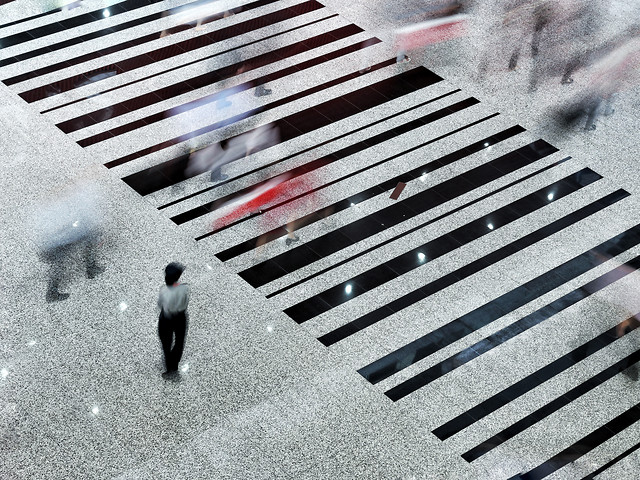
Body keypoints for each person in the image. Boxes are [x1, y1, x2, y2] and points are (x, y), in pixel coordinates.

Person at [157, 262, 190, 378]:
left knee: (166, 343)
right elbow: (185, 303)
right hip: (180, 318)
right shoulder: (184, 288)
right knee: (179, 341)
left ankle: (168, 367)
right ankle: (174, 364)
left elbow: (160, 305)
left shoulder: (163, 291)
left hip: (166, 319)